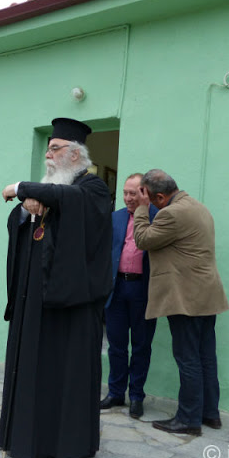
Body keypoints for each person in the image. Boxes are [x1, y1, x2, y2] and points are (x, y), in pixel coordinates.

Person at [0, 118, 113, 458]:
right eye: (47, 148)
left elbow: (69, 200)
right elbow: (22, 221)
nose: (48, 154)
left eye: (56, 148)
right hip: (35, 299)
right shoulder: (48, 189)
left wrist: (21, 187)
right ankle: (24, 438)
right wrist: (25, 209)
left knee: (67, 377)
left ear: (76, 154)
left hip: (72, 305)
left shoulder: (91, 188)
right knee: (31, 369)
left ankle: (67, 448)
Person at [133, 169, 229, 436]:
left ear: (160, 196)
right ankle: (210, 413)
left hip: (185, 297)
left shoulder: (171, 213)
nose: (149, 203)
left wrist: (142, 210)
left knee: (188, 358)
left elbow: (142, 240)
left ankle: (188, 419)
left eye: (150, 199)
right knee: (205, 356)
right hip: (207, 295)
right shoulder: (199, 207)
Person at [100, 173, 158, 419]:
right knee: (116, 345)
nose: (127, 198)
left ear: (144, 192)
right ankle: (115, 392)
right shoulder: (115, 217)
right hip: (116, 288)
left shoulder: (158, 217)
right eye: (125, 192)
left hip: (143, 289)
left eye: (133, 193)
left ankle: (136, 396)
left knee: (142, 345)